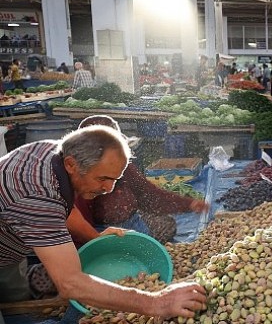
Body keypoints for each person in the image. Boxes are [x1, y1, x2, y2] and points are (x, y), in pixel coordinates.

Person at [0, 125, 206, 320]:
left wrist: (96, 238)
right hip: (7, 241)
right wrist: (157, 302)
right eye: (103, 179)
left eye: (115, 179)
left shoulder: (57, 156)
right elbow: (70, 284)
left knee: (13, 295)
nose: (109, 188)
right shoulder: (34, 196)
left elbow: (62, 203)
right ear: (71, 164)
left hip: (11, 240)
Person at [67, 115, 209, 246]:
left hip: (133, 223)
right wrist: (97, 239)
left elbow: (148, 194)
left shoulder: (121, 165)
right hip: (104, 234)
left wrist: (188, 204)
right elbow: (77, 227)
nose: (109, 187)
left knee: (168, 223)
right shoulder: (79, 181)